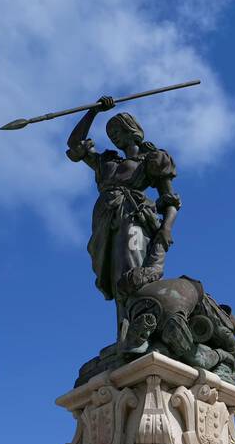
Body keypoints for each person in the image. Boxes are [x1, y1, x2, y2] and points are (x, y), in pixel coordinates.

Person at [66, 97, 180, 340]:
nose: (114, 136)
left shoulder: (152, 160)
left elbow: (169, 200)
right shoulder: (105, 161)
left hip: (134, 217)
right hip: (106, 221)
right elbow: (75, 144)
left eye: (118, 130)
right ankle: (124, 334)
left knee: (132, 274)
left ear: (132, 130)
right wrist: (93, 111)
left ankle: (140, 332)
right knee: (118, 279)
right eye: (111, 133)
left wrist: (167, 228)